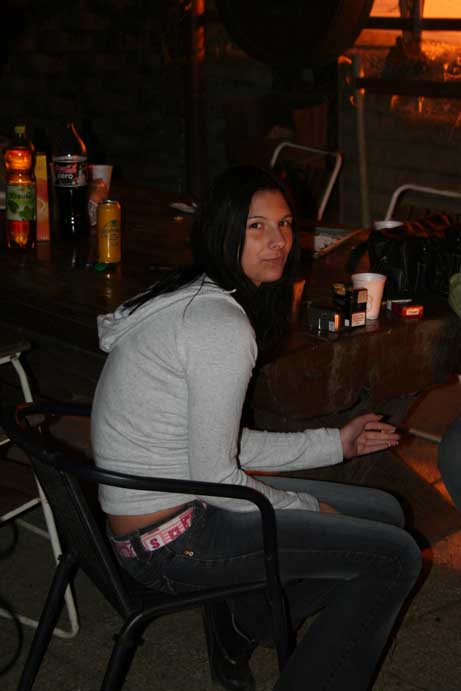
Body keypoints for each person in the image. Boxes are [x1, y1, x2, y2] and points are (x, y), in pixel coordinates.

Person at [91, 165, 422, 691]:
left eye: (285, 224)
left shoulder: (196, 295)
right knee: (395, 555)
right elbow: (219, 477)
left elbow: (220, 447)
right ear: (222, 231)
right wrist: (310, 508)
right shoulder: (219, 325)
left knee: (385, 512)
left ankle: (246, 623)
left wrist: (336, 443)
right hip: (173, 541)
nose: (278, 242)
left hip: (164, 511)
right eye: (256, 227)